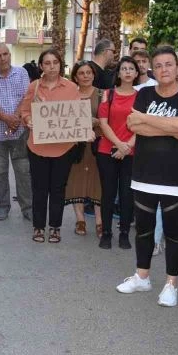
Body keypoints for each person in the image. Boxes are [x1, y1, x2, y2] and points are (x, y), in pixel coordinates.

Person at [116, 46, 178, 307]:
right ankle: (142, 277)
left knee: (173, 232)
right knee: (144, 229)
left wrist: (147, 121)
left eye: (169, 64)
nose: (165, 69)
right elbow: (134, 126)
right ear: (154, 69)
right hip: (143, 173)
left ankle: (171, 284)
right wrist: (171, 129)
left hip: (175, 177)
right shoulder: (144, 94)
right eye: (160, 65)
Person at [19, 48, 90, 244]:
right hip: (37, 147)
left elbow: (77, 115)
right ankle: (39, 227)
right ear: (41, 66)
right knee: (39, 189)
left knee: (58, 189)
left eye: (55, 63)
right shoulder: (33, 87)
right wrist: (28, 119)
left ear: (60, 65)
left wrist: (85, 130)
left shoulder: (71, 87)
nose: (51, 67)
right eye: (47, 63)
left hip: (63, 148)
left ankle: (55, 228)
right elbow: (24, 110)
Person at [0, 43, 32, 221]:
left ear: (9, 55)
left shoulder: (22, 73)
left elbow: (27, 98)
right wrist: (6, 118)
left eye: (5, 54)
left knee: (23, 171)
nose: (2, 58)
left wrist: (15, 118)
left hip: (20, 132)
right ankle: (2, 206)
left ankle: (28, 207)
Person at [97, 56, 139, 250]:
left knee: (126, 194)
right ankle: (106, 233)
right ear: (119, 73)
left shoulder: (141, 96)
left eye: (132, 68)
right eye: (124, 68)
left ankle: (124, 233)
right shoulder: (108, 94)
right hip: (107, 150)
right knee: (108, 193)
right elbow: (103, 123)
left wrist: (127, 146)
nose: (128, 71)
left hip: (131, 152)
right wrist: (118, 144)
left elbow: (141, 125)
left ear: (137, 73)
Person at [63, 60, 102, 236]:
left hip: (97, 145)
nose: (85, 76)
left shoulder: (103, 95)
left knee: (98, 182)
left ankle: (100, 221)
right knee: (75, 180)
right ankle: (80, 220)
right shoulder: (70, 95)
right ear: (75, 77)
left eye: (88, 72)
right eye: (81, 73)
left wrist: (96, 122)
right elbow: (62, 121)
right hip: (75, 146)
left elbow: (109, 120)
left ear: (94, 74)